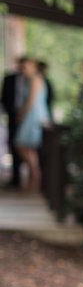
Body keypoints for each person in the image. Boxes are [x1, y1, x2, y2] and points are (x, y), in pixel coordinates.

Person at [14, 57, 51, 192]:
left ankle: (35, 176)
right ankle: (33, 177)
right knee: (29, 149)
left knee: (23, 145)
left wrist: (21, 115)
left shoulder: (35, 79)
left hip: (34, 116)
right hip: (32, 115)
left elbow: (30, 101)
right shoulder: (30, 80)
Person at [1, 56, 23, 188]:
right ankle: (16, 178)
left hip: (27, 119)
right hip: (13, 116)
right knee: (14, 145)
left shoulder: (31, 80)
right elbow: (4, 97)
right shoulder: (9, 78)